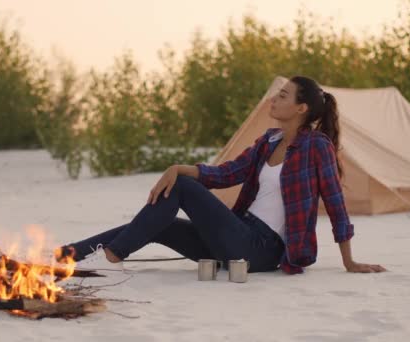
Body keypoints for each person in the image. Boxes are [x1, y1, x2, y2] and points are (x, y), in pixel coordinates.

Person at [55, 76, 387, 275]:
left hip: (262, 249)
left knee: (181, 188)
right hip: (237, 236)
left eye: (283, 95)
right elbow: (224, 174)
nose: (275, 98)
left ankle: (110, 257)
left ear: (302, 108)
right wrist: (177, 167)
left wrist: (350, 262)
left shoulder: (317, 145)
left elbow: (335, 201)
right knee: (164, 223)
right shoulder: (268, 140)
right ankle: (64, 255)